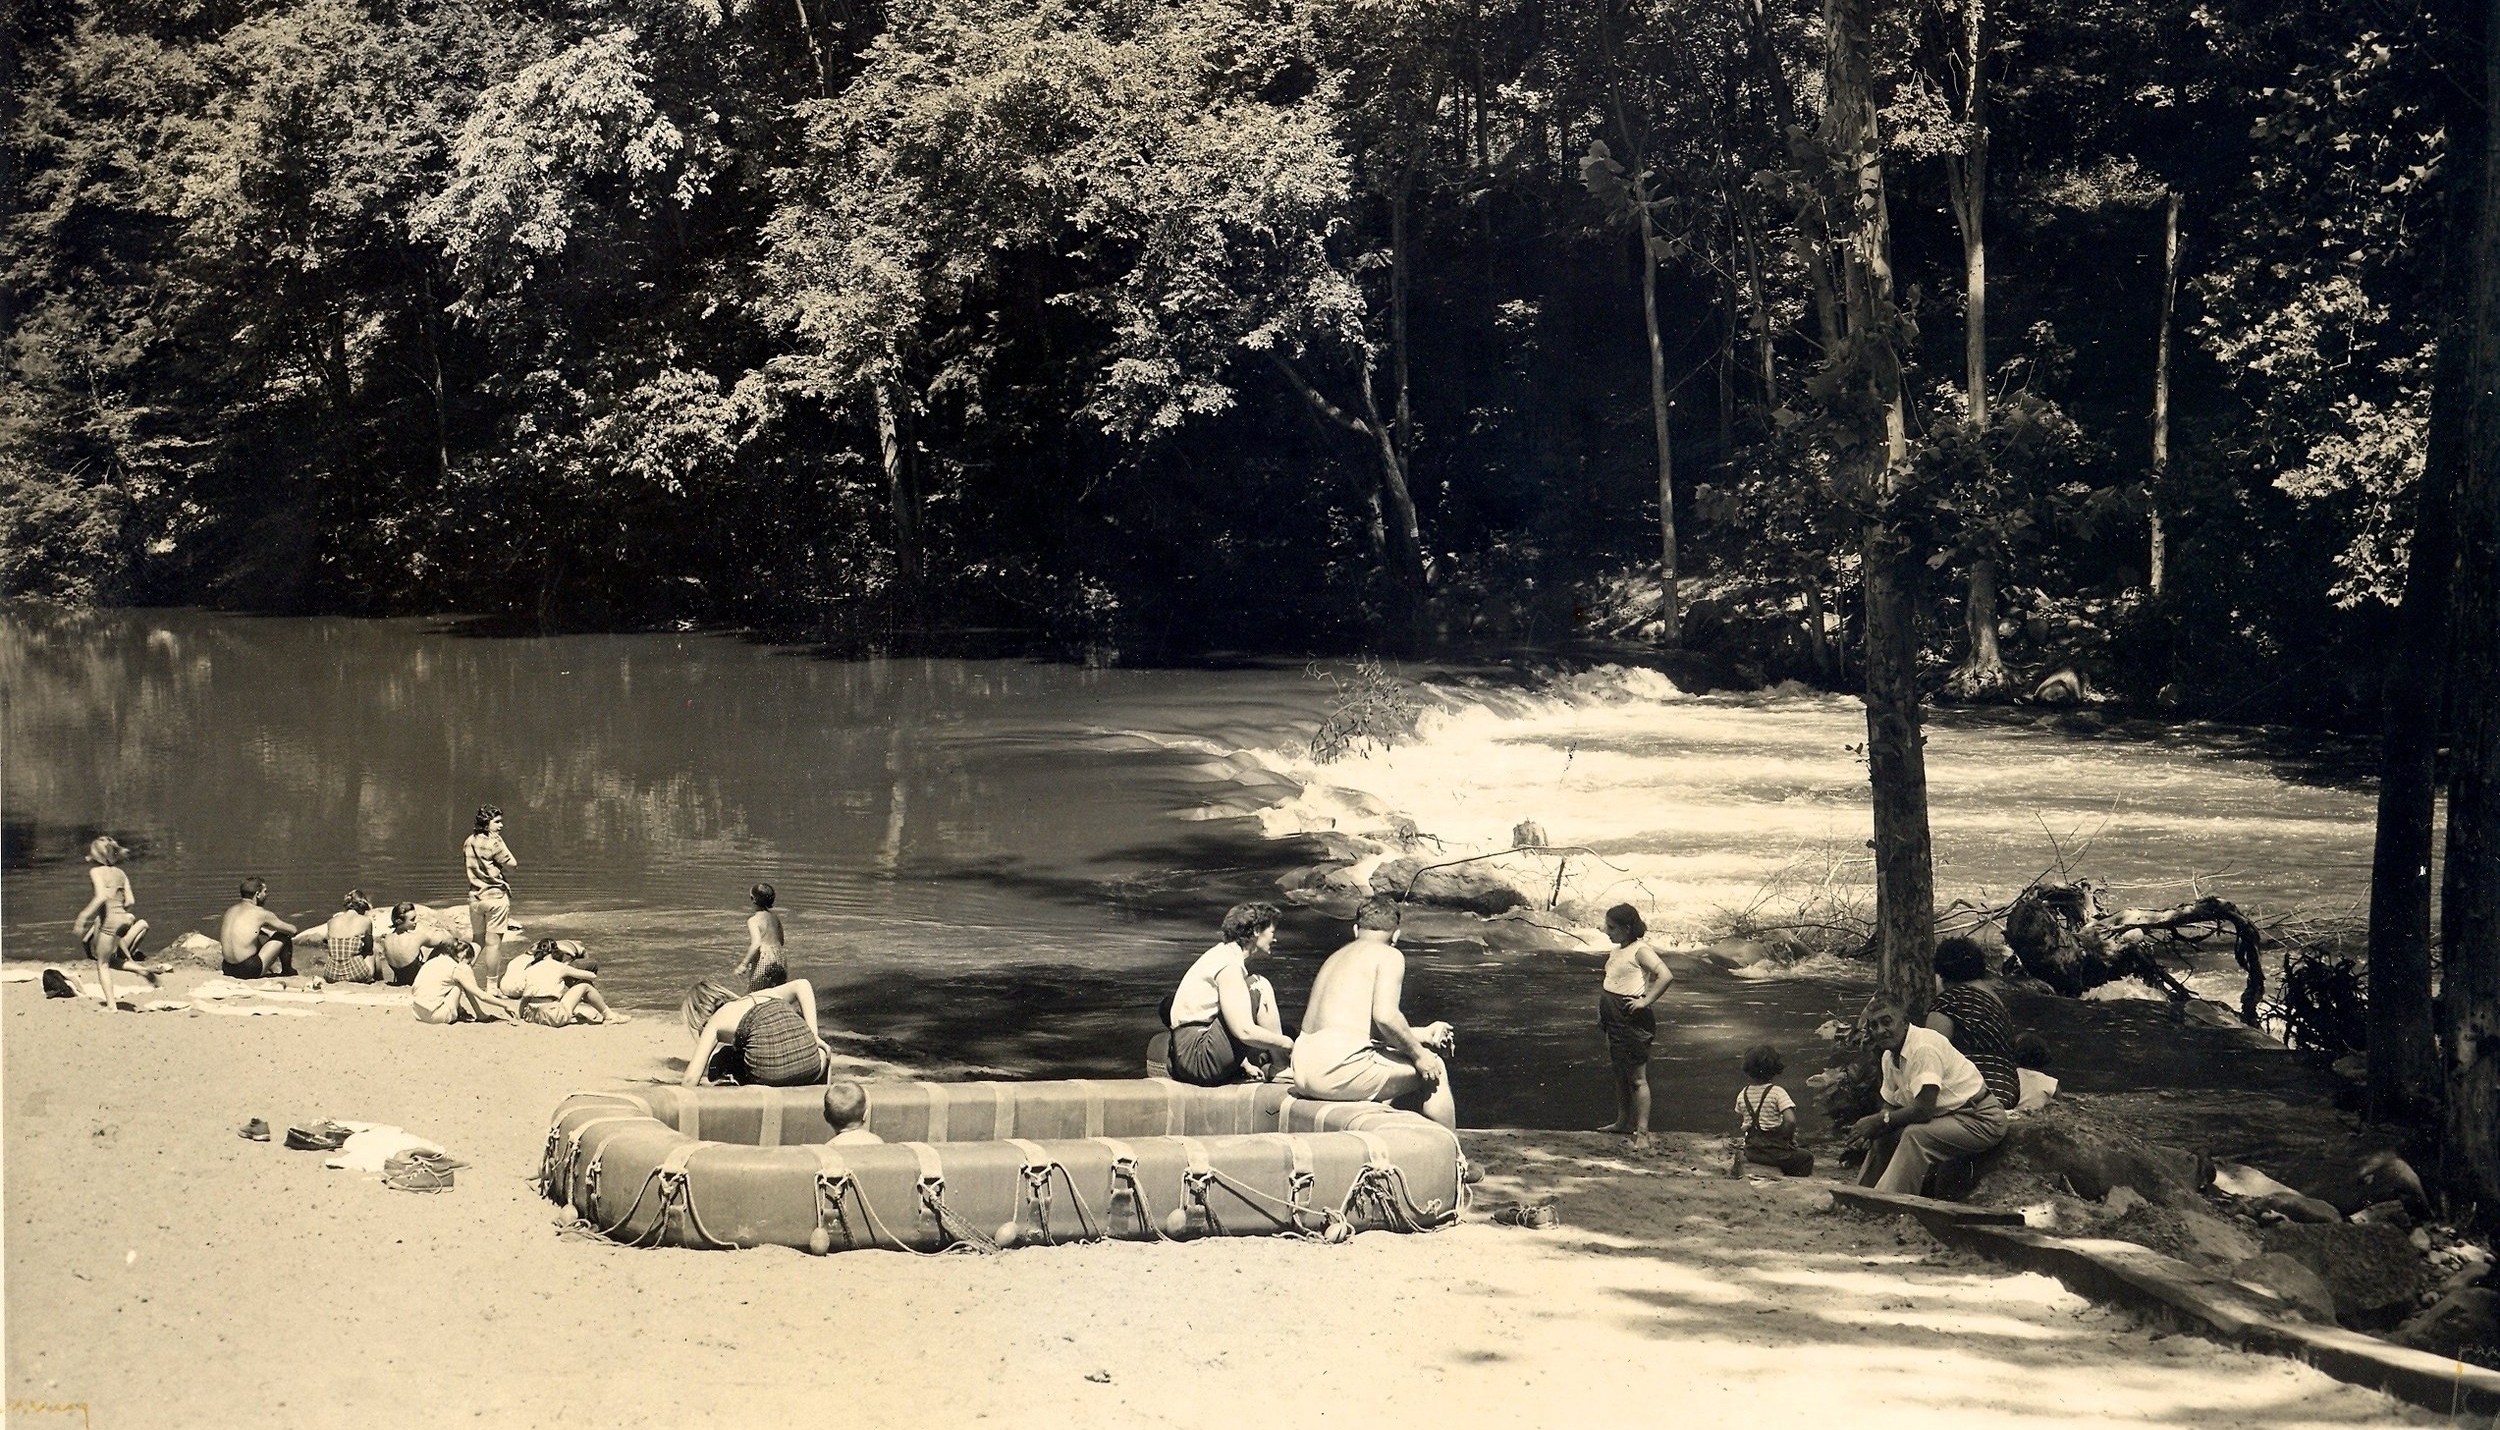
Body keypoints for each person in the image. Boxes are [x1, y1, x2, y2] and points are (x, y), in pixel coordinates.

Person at [1287, 895, 1457, 1129]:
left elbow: (1357, 1029)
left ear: (1356, 929)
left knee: (1385, 1057)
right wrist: (1421, 1055)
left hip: (1303, 1067)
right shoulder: (1389, 955)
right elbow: (1385, 1017)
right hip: (1335, 1071)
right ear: (1396, 935)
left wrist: (1425, 1035)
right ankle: (1452, 1158)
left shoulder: (1335, 957)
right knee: (1434, 1069)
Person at [1847, 1003, 2009, 1198]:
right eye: (1873, 1026)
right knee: (1883, 1136)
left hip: (1980, 1119)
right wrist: (1876, 1127)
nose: (1881, 1031)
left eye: (1887, 1022)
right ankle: (1857, 1197)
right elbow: (1890, 1103)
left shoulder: (1923, 1048)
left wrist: (1880, 1121)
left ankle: (1888, 1202)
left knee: (1915, 1135)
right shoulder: (1889, 1056)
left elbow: (1923, 1110)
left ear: (1905, 1023)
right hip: (1949, 1116)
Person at [1166, 901, 1296, 1086]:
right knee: (1260, 985)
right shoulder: (1230, 966)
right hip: (1198, 1057)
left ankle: (1269, 1063)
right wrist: (1285, 1043)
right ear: (1257, 930)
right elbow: (1243, 1031)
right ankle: (1281, 1069)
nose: (1275, 939)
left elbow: (1210, 1016)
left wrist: (1244, 1064)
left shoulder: (1220, 954)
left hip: (1184, 1056)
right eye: (1272, 932)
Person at [1594, 903, 1672, 1150]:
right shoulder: (1618, 950)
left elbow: (1665, 975)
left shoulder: (1641, 950)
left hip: (1631, 1019)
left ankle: (1642, 1134)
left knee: (1637, 1078)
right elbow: (1611, 981)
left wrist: (1646, 1000)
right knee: (1619, 1073)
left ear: (1627, 929)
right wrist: (1602, 1014)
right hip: (1612, 1017)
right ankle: (1621, 1122)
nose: (1606, 931)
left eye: (1612, 927)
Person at [1926, 936, 2021, 1111]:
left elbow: (1931, 1056)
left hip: (1975, 1093)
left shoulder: (1950, 1000)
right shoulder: (1995, 1000)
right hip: (2008, 1088)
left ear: (1942, 971)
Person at [682, 977, 830, 1087]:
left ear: (701, 1013)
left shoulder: (715, 1020)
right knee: (824, 1052)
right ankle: (821, 1100)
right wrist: (813, 1035)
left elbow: (690, 1079)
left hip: (770, 1075)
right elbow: (802, 984)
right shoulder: (763, 995)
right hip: (811, 1065)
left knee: (725, 1058)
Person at [72, 835, 158, 1009]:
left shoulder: (95, 872)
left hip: (110, 920)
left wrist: (83, 916)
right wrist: (120, 914)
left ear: (96, 855)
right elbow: (131, 901)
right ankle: (140, 970)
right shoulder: (121, 873)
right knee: (110, 961)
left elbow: (101, 896)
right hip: (125, 918)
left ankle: (112, 1006)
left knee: (102, 964)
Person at [1734, 1043, 1814, 1176]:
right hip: (1774, 1153)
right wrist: (1787, 1140)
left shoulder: (1743, 1094)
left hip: (1752, 1152)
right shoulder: (1777, 1092)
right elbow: (1790, 1121)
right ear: (1775, 1068)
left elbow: (1742, 1120)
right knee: (1806, 1157)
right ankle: (1796, 1179)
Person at [462, 806, 520, 984]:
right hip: (494, 897)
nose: (501, 825)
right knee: (493, 944)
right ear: (486, 824)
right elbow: (513, 864)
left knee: (477, 941)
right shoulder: (495, 843)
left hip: (475, 897)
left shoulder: (469, 841)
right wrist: (502, 844)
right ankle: (492, 986)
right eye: (497, 822)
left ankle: (459, 974)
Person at [514, 939, 627, 1026]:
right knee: (585, 986)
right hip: (552, 1015)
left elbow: (525, 998)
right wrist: (570, 971)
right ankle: (609, 1015)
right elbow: (592, 976)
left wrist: (519, 1015)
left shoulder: (531, 969)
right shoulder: (560, 967)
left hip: (531, 1015)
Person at [409, 940, 519, 1025]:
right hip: (435, 1016)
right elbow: (482, 996)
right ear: (462, 957)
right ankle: (480, 1015)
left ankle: (472, 1013)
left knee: (448, 983)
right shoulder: (456, 968)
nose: (469, 965)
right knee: (460, 982)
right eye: (468, 962)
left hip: (417, 1013)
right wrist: (505, 1005)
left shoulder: (432, 961)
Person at [218, 877, 298, 978]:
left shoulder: (230, 911)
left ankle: (273, 968)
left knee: (253, 940)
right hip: (248, 970)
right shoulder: (261, 913)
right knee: (283, 936)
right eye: (265, 892)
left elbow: (244, 930)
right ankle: (287, 971)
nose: (266, 895)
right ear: (257, 894)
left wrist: (266, 931)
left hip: (227, 968)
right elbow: (293, 931)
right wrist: (273, 932)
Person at [378, 903, 464, 985]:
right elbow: (443, 940)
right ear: (400, 921)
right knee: (445, 944)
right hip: (418, 979)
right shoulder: (416, 937)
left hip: (400, 979)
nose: (416, 921)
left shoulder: (386, 938)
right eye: (412, 919)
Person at [317, 890, 392, 985]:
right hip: (355, 975)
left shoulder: (331, 921)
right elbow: (369, 948)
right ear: (362, 907)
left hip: (330, 975)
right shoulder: (365, 921)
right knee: (374, 951)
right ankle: (380, 981)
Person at [735, 883, 787, 992]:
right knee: (778, 990)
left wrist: (743, 964)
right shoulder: (775, 918)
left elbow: (756, 944)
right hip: (779, 956)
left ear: (752, 899)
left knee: (755, 992)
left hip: (763, 959)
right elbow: (781, 941)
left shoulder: (753, 920)